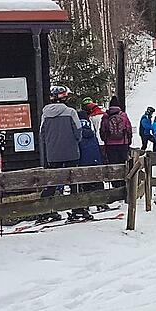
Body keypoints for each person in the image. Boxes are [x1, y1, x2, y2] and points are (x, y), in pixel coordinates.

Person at [38, 85, 90, 223]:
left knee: (52, 182)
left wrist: (50, 145)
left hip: (53, 154)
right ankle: (77, 209)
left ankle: (45, 210)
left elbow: (42, 134)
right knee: (74, 182)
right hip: (71, 152)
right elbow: (78, 132)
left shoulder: (45, 114)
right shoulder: (71, 112)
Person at [77, 110, 109, 211]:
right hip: (95, 159)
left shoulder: (77, 130)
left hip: (82, 160)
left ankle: (85, 204)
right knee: (97, 181)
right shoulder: (91, 129)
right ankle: (101, 202)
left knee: (84, 181)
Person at [100, 103, 133, 189]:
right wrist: (128, 141)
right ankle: (123, 184)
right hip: (123, 144)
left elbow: (103, 130)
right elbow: (129, 128)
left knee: (113, 164)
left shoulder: (106, 116)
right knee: (123, 163)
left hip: (110, 145)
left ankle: (115, 185)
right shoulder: (123, 115)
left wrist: (105, 140)